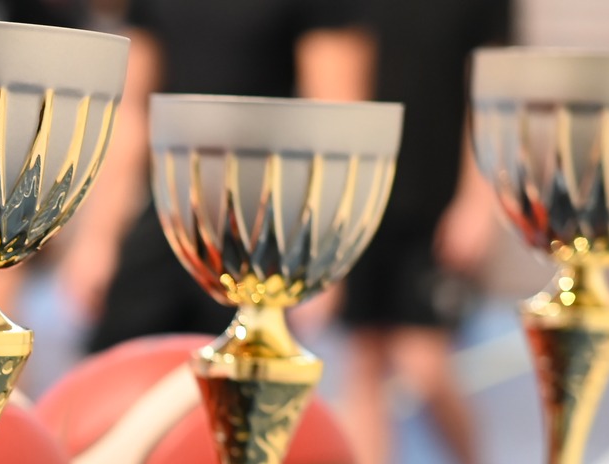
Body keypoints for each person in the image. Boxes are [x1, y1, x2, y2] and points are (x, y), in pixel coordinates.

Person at [55, 0, 374, 351]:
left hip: (259, 229)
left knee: (244, 371)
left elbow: (334, 112)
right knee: (123, 367)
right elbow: (133, 112)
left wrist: (320, 248)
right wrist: (98, 239)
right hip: (169, 218)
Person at [337, 0, 512, 464]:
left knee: (423, 363)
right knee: (364, 360)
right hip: (367, 199)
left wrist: (477, 202)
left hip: (435, 207)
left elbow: (489, 95)